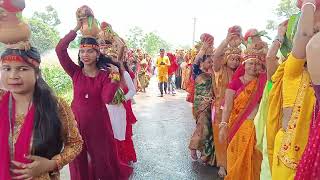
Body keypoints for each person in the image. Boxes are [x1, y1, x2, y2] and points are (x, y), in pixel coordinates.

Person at [55, 19, 132, 180]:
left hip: (99, 126)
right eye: (82, 51)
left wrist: (115, 78)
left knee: (102, 162)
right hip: (76, 124)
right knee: (78, 162)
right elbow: (60, 49)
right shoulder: (75, 72)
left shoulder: (105, 75)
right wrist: (76, 28)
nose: (85, 55)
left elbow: (106, 98)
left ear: (98, 54)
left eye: (90, 51)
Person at [0, 47, 83, 179]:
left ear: (37, 73)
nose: (13, 76)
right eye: (7, 68)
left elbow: (75, 143)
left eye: (22, 69)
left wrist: (51, 164)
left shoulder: (55, 105)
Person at [266, 1, 316, 179]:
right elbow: (304, 34)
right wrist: (309, 4)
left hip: (314, 155)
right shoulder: (293, 69)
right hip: (290, 156)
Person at [219, 46, 267, 180]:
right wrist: (223, 124)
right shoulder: (235, 83)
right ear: (244, 65)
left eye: (257, 64)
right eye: (251, 63)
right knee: (237, 159)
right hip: (238, 127)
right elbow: (227, 106)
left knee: (254, 160)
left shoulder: (262, 83)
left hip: (257, 127)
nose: (254, 67)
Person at [211, 26, 242, 178]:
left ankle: (233, 163)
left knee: (234, 136)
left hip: (236, 109)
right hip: (219, 110)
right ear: (226, 59)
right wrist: (227, 40)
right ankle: (222, 165)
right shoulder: (219, 70)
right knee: (221, 136)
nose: (235, 62)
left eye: (237, 59)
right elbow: (216, 55)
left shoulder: (241, 73)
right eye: (232, 58)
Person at [189, 55, 215, 165]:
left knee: (210, 130)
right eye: (209, 62)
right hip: (201, 106)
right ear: (202, 63)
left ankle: (206, 154)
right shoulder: (197, 73)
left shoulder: (215, 75)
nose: (211, 64)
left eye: (212, 62)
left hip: (212, 105)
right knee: (203, 126)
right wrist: (204, 48)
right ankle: (193, 146)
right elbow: (194, 64)